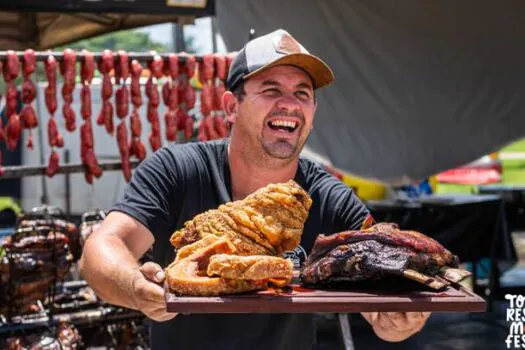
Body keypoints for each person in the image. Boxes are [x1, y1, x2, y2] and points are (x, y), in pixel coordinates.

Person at [79, 29, 430, 350]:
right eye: (271, 90)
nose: (289, 103)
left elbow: (382, 292)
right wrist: (135, 288)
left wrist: (395, 319)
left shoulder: (326, 195)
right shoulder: (177, 170)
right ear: (231, 107)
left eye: (302, 94)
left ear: (312, 110)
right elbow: (102, 248)